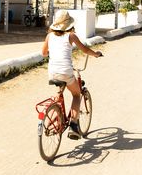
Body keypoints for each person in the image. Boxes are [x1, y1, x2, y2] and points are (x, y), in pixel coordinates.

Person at [41, 10, 102, 140]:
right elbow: (84, 49)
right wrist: (96, 54)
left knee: (60, 90)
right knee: (76, 94)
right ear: (68, 24)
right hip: (66, 72)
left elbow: (44, 53)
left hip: (52, 72)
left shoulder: (49, 36)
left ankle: (54, 117)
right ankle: (73, 124)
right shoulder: (71, 36)